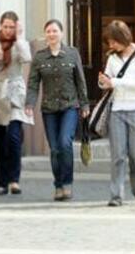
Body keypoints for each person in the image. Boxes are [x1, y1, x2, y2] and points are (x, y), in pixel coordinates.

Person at [25, 19, 89, 201]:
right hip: (49, 109)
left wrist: (84, 104)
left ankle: (67, 183)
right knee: (54, 149)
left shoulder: (72, 53)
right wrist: (29, 104)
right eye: (48, 31)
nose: (52, 34)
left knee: (64, 143)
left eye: (55, 31)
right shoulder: (39, 57)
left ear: (61, 33)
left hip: (70, 106)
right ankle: (58, 184)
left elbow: (80, 80)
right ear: (46, 35)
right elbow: (33, 84)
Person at [98, 21, 135, 207]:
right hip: (117, 110)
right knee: (118, 156)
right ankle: (116, 195)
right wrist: (103, 82)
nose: (111, 46)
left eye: (113, 42)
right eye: (109, 42)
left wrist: (115, 82)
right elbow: (107, 82)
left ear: (123, 38)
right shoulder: (112, 58)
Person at [0, 11, 33, 196]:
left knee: (13, 137)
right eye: (5, 26)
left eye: (11, 27)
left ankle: (14, 180)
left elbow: (27, 58)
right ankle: (2, 183)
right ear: (0, 25)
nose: (8, 30)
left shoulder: (20, 43)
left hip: (14, 90)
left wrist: (19, 38)